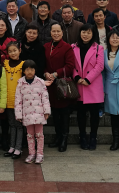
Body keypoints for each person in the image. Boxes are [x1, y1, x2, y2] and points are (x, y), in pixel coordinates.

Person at [72, 24, 105, 151]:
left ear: (93, 34)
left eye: (88, 32)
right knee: (81, 114)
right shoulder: (73, 47)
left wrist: (88, 79)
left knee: (94, 114)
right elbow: (71, 65)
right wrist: (76, 77)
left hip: (93, 84)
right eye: (83, 32)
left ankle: (93, 137)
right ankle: (82, 136)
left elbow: (99, 66)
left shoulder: (98, 48)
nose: (85, 35)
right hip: (79, 84)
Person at [44, 23, 75, 152]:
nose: (56, 33)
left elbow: (70, 66)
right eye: (53, 31)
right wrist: (46, 73)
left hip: (62, 85)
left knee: (64, 114)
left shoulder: (67, 47)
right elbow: (43, 63)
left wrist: (55, 74)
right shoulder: (46, 46)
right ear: (50, 32)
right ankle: (57, 137)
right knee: (55, 114)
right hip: (50, 86)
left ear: (62, 33)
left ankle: (64, 139)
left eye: (58, 31)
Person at [15, 59, 51, 165]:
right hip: (27, 114)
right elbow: (18, 100)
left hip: (39, 113)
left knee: (39, 135)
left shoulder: (40, 82)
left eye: (32, 69)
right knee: (30, 135)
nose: (29, 72)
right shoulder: (20, 83)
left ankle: (40, 154)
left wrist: (46, 111)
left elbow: (45, 98)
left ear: (35, 70)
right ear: (23, 71)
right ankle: (31, 153)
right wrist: (19, 114)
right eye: (27, 70)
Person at [3, 42, 25, 159]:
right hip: (8, 99)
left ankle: (18, 148)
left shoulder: (23, 64)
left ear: (19, 51)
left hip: (19, 101)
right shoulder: (5, 64)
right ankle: (11, 147)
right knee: (11, 124)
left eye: (15, 50)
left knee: (19, 125)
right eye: (10, 51)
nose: (13, 53)